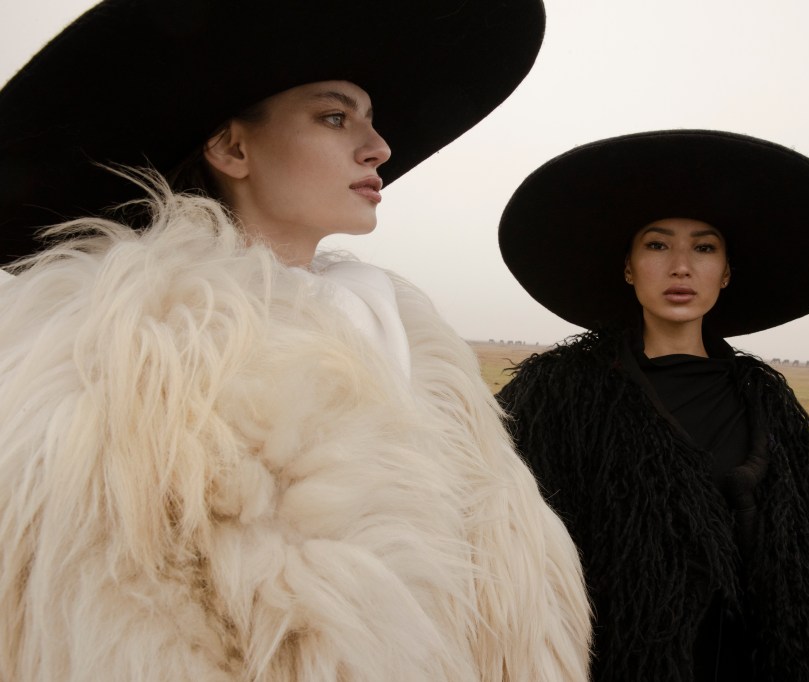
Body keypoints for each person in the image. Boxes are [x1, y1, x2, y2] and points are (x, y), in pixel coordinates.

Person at [0, 1, 590, 680]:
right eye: (335, 117)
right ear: (233, 148)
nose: (379, 147)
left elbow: (503, 605)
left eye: (371, 121)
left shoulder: (405, 340)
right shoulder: (123, 361)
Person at [496, 130, 809, 681]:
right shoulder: (556, 395)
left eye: (704, 247)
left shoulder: (770, 405)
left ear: (726, 271)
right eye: (656, 245)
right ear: (628, 267)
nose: (680, 266)